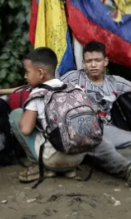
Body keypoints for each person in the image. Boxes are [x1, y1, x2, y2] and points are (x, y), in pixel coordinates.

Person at [60, 41, 131, 188]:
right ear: (83, 63)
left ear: (105, 62)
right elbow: (48, 89)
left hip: (107, 129)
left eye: (97, 60)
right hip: (82, 129)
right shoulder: (73, 77)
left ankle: (104, 158)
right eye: (89, 61)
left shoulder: (115, 82)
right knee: (96, 140)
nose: (93, 65)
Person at [9, 47, 86, 183]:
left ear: (40, 73)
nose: (25, 76)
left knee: (16, 114)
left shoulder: (37, 95)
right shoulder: (75, 88)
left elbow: (26, 129)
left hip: (52, 160)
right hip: (78, 157)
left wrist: (28, 113)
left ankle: (38, 166)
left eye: (27, 72)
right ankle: (70, 169)